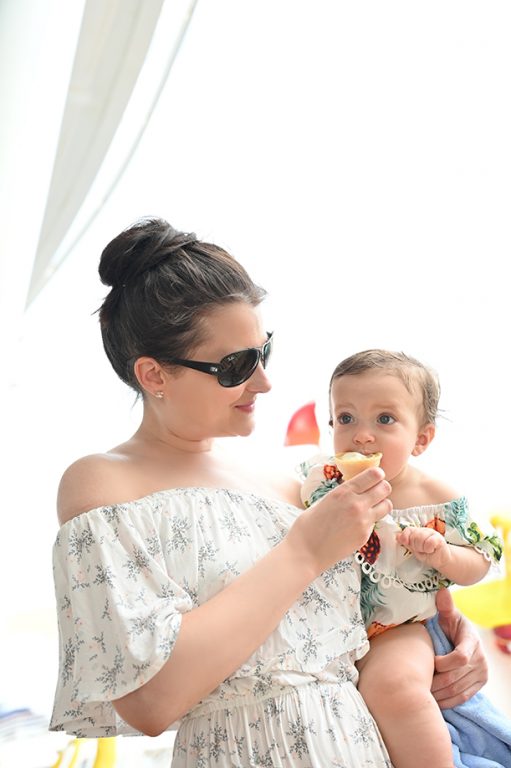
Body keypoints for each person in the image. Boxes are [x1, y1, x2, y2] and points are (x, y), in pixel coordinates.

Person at [50, 219, 490, 768]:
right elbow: (149, 700)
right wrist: (304, 551)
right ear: (153, 374)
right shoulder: (104, 483)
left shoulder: (298, 480)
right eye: (235, 365)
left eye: (265, 352)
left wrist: (445, 642)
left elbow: (382, 602)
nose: (263, 382)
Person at [300, 349, 503, 768]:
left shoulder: (435, 497)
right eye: (346, 418)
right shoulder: (323, 482)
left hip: (397, 625)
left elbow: (481, 559)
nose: (362, 435)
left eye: (385, 420)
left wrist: (444, 554)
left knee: (395, 689)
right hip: (330, 627)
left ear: (421, 439)